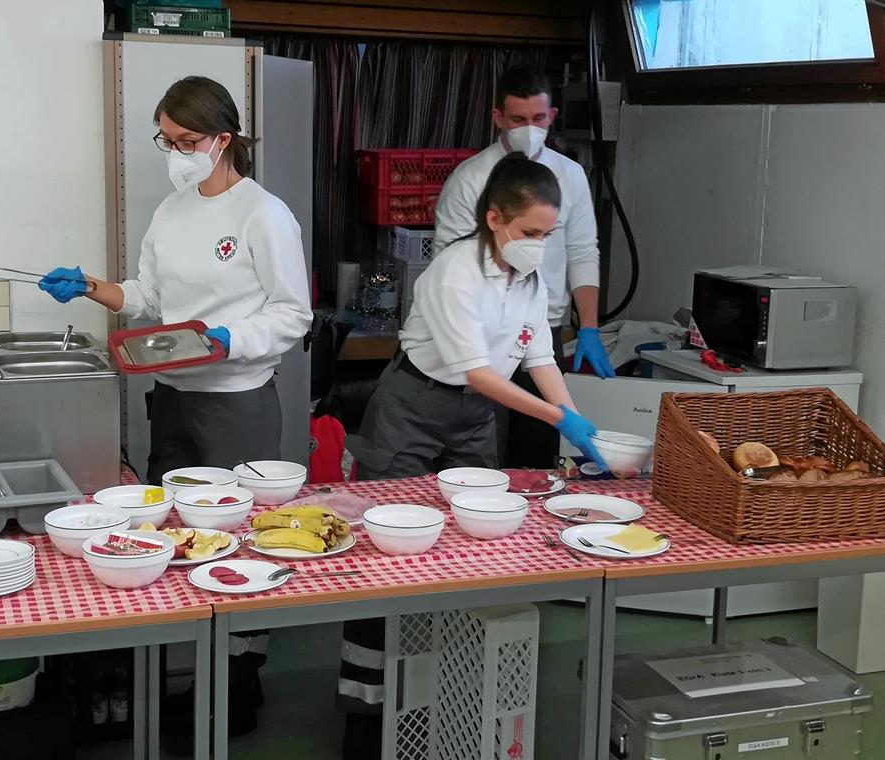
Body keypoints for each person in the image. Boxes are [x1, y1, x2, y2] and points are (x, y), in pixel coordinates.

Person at [37, 75, 312, 750]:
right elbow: (148, 296)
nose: (176, 152)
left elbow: (292, 313)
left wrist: (229, 338)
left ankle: (241, 674)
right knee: (171, 527)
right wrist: (95, 288)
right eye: (167, 140)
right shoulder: (173, 210)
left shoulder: (263, 214)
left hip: (238, 400)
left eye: (188, 141)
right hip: (174, 395)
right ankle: (184, 664)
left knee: (239, 532)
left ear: (224, 139)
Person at [338, 153, 605, 758]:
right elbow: (477, 371)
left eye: (548, 234)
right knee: (388, 558)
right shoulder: (453, 272)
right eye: (531, 233)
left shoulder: (532, 279)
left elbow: (538, 359)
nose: (539, 246)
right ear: (494, 219)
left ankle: (445, 705)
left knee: (472, 551)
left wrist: (579, 427)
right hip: (414, 404)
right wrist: (558, 417)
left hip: (476, 417)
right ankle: (364, 713)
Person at [434, 65, 614, 470]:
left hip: (542, 330)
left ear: (551, 117)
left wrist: (588, 326)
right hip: (484, 333)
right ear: (498, 117)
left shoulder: (569, 175)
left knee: (538, 455)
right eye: (518, 120)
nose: (529, 129)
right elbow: (449, 259)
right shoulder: (470, 180)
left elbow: (584, 249)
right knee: (484, 453)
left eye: (538, 119)